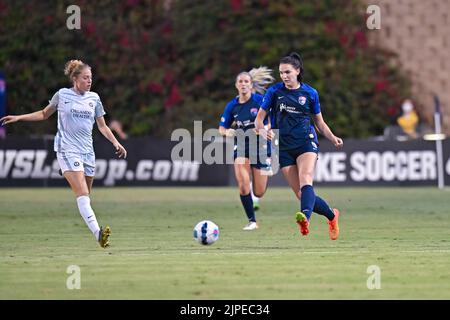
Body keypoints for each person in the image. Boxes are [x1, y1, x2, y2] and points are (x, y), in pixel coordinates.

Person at [0, 59, 127, 248]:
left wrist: (116, 142)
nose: (89, 81)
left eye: (90, 78)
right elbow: (44, 114)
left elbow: (102, 126)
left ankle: (65, 170)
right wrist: (19, 117)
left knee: (86, 196)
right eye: (85, 78)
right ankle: (98, 234)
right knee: (82, 193)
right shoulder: (63, 95)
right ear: (75, 79)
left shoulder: (94, 98)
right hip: (67, 149)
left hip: (87, 152)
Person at [255, 52, 343, 240]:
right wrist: (263, 132)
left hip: (305, 141)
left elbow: (319, 122)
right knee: (301, 195)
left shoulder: (310, 93)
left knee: (306, 178)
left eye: (287, 72)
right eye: (281, 73)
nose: (284, 76)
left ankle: (305, 220)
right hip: (283, 146)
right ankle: (332, 215)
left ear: (297, 71)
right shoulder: (274, 92)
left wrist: (332, 136)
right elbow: (258, 121)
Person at [219, 67, 274, 230]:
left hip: (261, 148)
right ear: (236, 85)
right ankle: (252, 221)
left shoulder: (259, 101)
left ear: (251, 85)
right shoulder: (232, 106)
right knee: (243, 184)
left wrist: (265, 129)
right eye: (240, 81)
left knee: (259, 192)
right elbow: (222, 128)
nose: (243, 84)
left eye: (246, 81)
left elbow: (273, 120)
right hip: (242, 146)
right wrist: (227, 131)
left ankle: (255, 190)